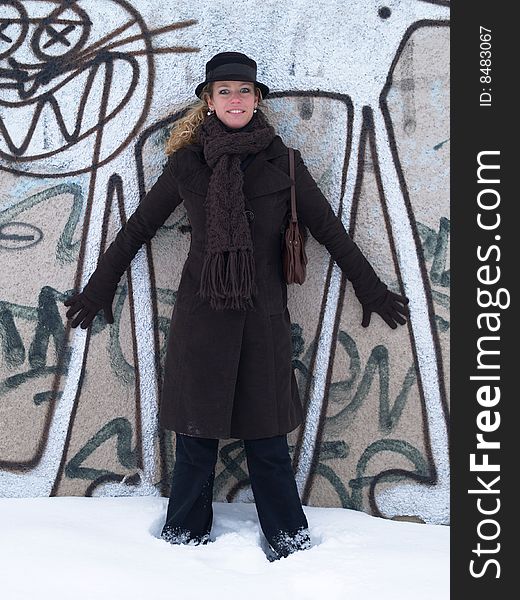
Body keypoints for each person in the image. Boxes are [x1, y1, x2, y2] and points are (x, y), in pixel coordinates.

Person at [64, 51, 409, 560]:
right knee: (196, 444)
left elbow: (330, 232)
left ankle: (291, 547)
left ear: (257, 99)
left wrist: (372, 289)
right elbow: (139, 229)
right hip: (202, 321)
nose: (235, 99)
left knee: (267, 446)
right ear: (208, 100)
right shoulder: (187, 164)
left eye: (244, 91)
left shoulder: (283, 163)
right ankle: (182, 544)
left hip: (262, 322)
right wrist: (97, 290)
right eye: (224, 91)